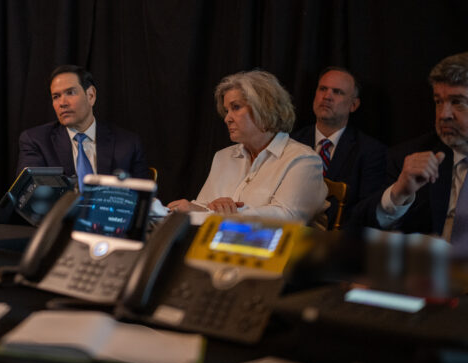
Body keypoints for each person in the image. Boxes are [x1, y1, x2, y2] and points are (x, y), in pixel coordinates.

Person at [168, 70, 327, 221]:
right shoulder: (223, 156)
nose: (227, 118)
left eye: (236, 107)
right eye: (226, 110)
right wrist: (191, 208)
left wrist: (227, 213)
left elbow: (286, 217)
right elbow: (207, 205)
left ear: (265, 107)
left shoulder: (303, 159)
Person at [350, 52, 468, 242]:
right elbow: (358, 228)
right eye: (438, 101)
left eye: (457, 102)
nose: (444, 114)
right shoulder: (410, 157)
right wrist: (398, 194)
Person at [16, 65, 150, 183]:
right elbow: (30, 198)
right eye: (56, 96)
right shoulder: (36, 141)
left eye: (70, 93)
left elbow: (143, 198)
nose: (62, 103)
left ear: (91, 95)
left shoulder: (128, 143)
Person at [290, 67, 387, 226]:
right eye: (322, 89)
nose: (327, 96)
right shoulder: (292, 142)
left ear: (353, 105)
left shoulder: (371, 152)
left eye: (337, 92)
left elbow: (366, 212)